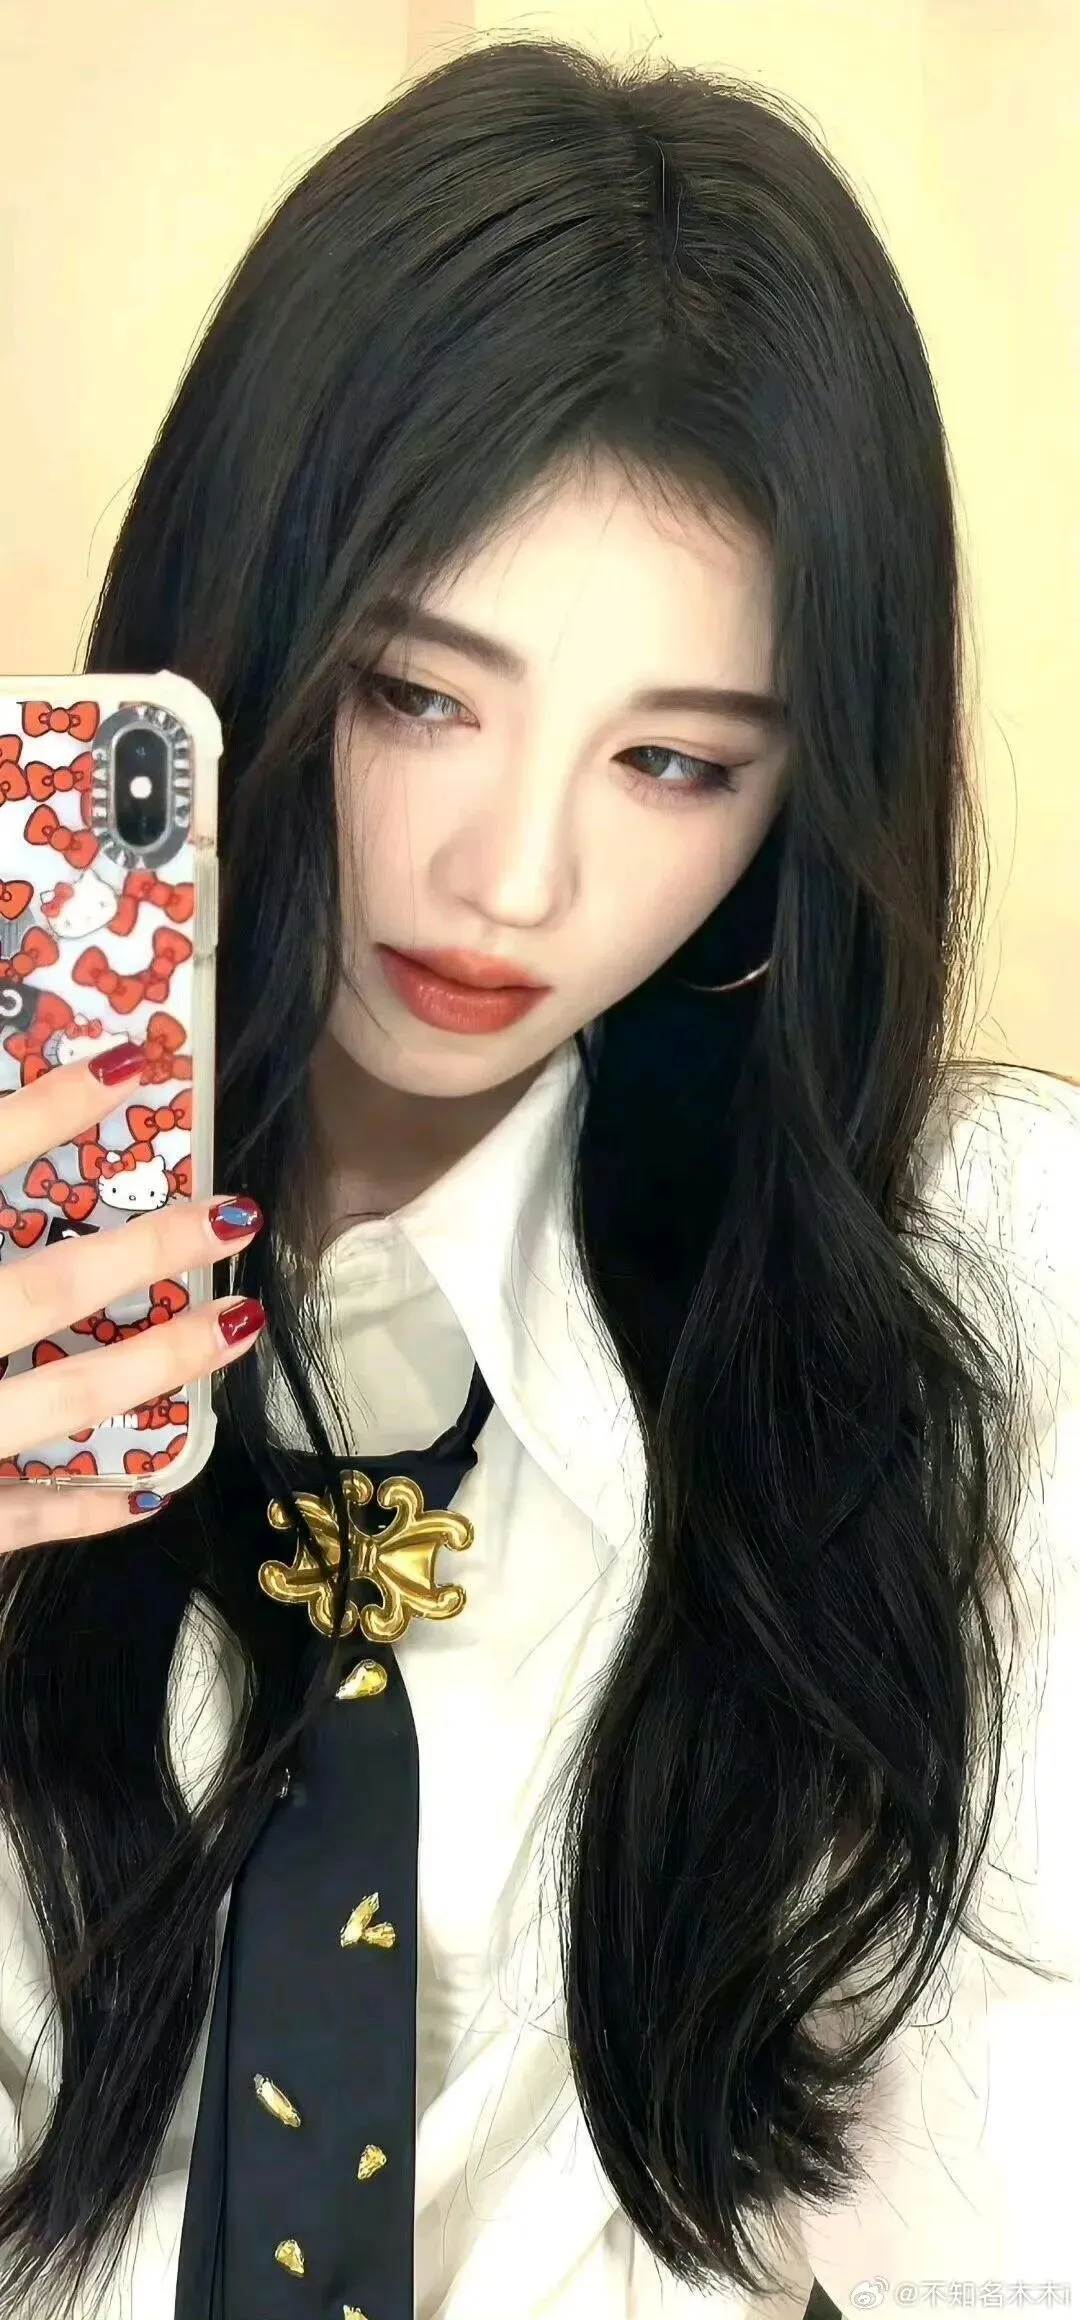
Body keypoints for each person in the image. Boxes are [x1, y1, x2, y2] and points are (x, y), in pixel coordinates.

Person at [0, 32, 1077, 2320]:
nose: (514, 876)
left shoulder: (984, 1290)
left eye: (673, 760)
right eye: (415, 693)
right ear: (241, 619)